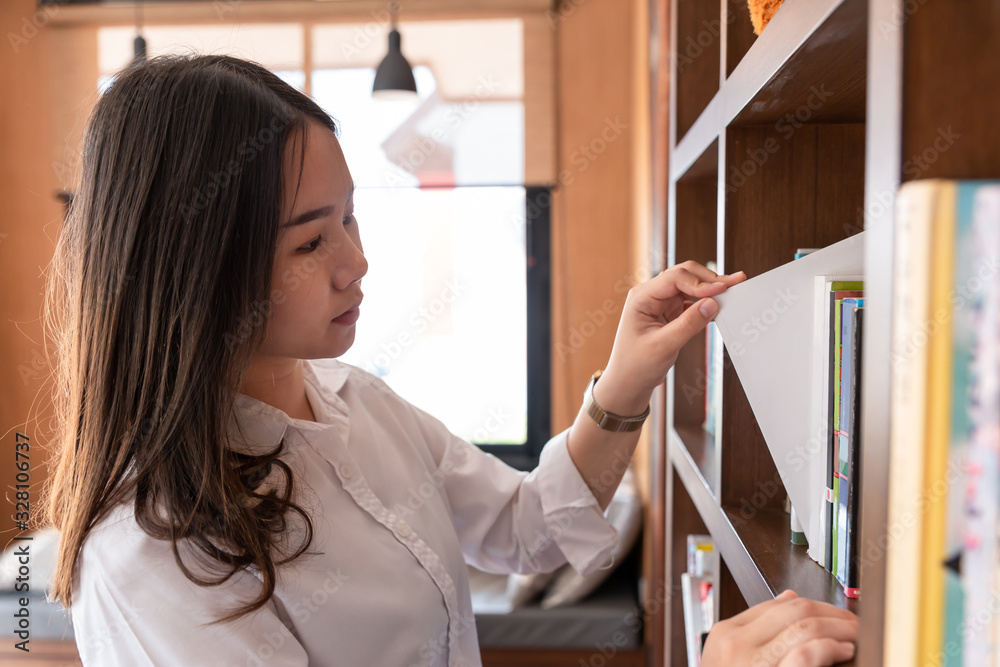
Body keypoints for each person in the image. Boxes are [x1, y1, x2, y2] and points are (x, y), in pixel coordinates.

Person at [40, 54, 857, 666]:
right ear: (197, 266)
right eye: (311, 241)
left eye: (352, 219)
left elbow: (526, 529)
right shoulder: (150, 548)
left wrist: (628, 375)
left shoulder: (360, 403)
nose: (355, 263)